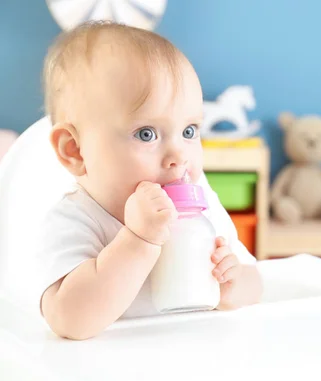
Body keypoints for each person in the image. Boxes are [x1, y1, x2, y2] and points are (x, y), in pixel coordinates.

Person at [35, 21, 263, 340]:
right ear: (75, 150)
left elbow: (256, 281)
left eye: (189, 131)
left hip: (202, 358)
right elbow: (69, 319)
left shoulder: (203, 207)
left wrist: (233, 282)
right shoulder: (75, 221)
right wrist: (138, 241)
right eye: (147, 134)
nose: (178, 156)